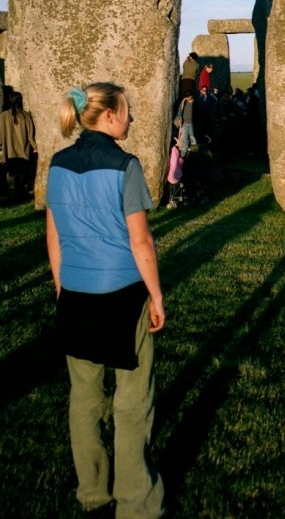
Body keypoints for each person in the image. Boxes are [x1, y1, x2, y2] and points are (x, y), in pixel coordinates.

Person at [46, 83, 165, 518]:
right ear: (111, 116)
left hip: (75, 293)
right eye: (128, 112)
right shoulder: (125, 165)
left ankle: (92, 491)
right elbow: (141, 242)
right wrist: (156, 295)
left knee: (84, 397)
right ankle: (136, 502)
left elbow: (53, 234)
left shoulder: (57, 163)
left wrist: (61, 284)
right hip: (121, 294)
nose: (131, 119)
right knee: (132, 401)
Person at [0, 89, 37, 199]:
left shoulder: (2, 116)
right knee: (21, 172)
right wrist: (35, 147)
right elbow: (30, 135)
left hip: (9, 150)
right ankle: (21, 193)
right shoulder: (26, 115)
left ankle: (12, 194)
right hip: (23, 150)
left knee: (10, 172)